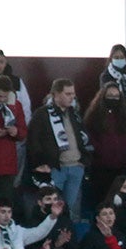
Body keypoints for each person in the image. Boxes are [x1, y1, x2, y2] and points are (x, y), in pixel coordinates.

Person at [26, 79, 91, 221]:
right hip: (55, 168)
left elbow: (83, 137)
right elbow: (33, 141)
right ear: (55, 94)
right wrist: (40, 163)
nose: (72, 97)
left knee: (69, 210)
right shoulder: (42, 114)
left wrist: (84, 160)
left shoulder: (74, 113)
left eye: (73, 93)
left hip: (76, 167)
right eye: (68, 93)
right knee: (51, 209)